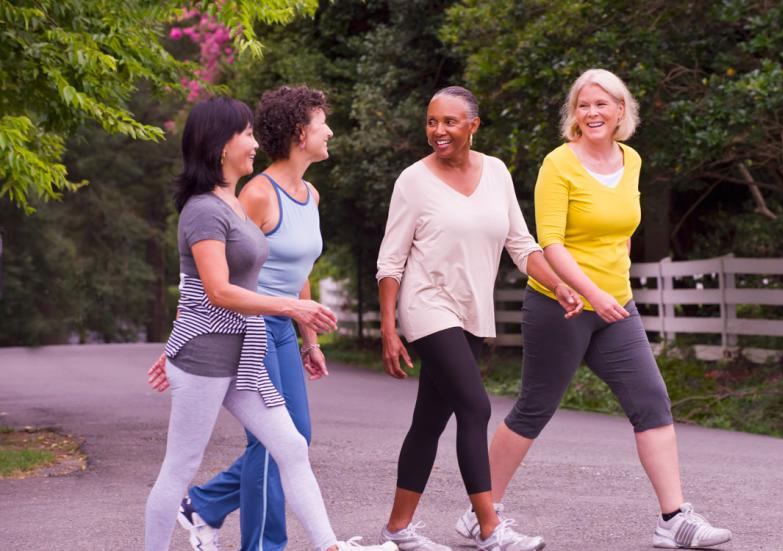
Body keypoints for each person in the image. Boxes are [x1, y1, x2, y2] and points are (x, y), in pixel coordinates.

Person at [452, 69, 733, 550]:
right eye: (584, 105)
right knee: (535, 407)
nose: (593, 113)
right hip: (560, 306)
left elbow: (621, 228)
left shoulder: (633, 160)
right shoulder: (558, 165)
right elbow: (551, 244)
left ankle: (674, 519)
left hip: (615, 306)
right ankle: (483, 514)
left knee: (651, 400)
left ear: (621, 110)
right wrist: (590, 293)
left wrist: (613, 285)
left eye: (603, 104)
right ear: (573, 114)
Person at [143, 95, 395, 551]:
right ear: (221, 144)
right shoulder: (204, 209)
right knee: (179, 467)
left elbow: (218, 283)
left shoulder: (232, 204)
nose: (256, 143)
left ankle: (329, 546)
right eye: (246, 134)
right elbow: (215, 289)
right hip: (204, 360)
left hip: (244, 355)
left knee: (292, 447)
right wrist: (293, 310)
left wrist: (303, 330)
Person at [375, 86, 583, 551]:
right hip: (426, 305)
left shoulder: (496, 172)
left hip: (471, 311)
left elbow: (522, 245)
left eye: (449, 121)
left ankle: (397, 529)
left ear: (473, 124)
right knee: (476, 406)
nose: (438, 131)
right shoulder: (413, 180)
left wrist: (560, 284)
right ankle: (489, 526)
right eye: (431, 121)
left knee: (429, 421)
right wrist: (389, 329)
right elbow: (390, 262)